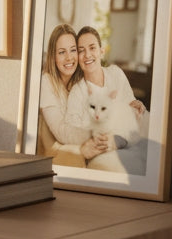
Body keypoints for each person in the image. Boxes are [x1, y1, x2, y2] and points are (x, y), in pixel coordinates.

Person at [76, 25, 148, 173]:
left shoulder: (115, 73)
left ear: (101, 52)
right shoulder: (79, 90)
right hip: (111, 142)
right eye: (81, 50)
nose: (87, 55)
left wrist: (136, 104)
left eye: (92, 48)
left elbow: (132, 106)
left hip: (134, 132)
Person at [38, 24, 108, 161]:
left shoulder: (80, 82)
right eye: (62, 52)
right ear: (53, 56)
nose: (69, 58)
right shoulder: (46, 83)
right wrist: (93, 134)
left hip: (82, 145)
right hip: (53, 151)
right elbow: (60, 130)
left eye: (73, 50)